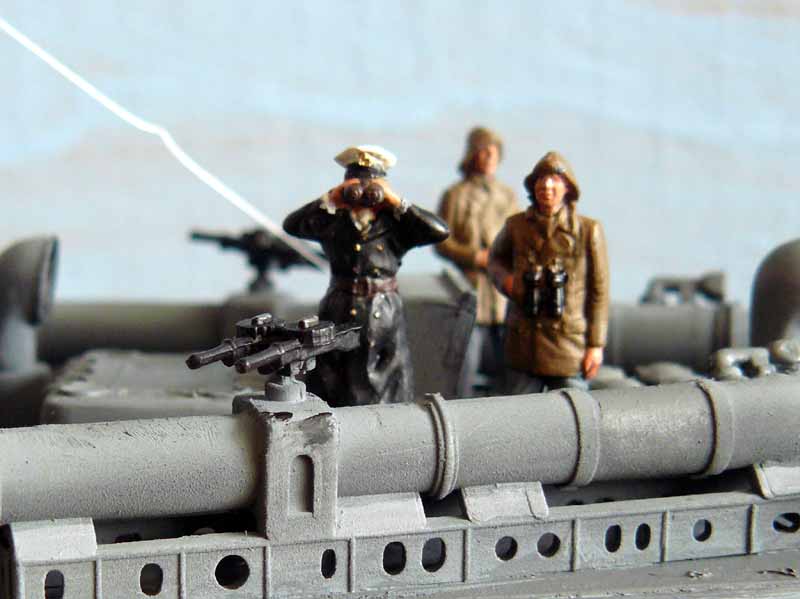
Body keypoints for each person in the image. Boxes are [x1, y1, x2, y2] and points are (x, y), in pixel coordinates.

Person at [283, 145, 449, 406]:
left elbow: (439, 231)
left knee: (383, 377)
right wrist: (330, 198)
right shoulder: (333, 220)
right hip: (339, 306)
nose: (362, 194)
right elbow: (292, 225)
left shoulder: (395, 224)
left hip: (383, 309)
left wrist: (397, 202)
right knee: (332, 374)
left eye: (371, 185)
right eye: (356, 185)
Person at [488, 151, 609, 393]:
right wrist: (508, 282)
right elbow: (495, 260)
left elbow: (599, 291)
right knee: (516, 409)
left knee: (572, 408)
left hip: (568, 346)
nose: (547, 186)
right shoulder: (516, 226)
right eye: (541, 180)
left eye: (555, 179)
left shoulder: (588, 230)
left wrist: (596, 345)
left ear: (568, 187)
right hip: (523, 345)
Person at [435, 127, 520, 396]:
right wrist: (473, 256)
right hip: (469, 292)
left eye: (494, 152)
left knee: (511, 371)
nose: (489, 157)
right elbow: (442, 241)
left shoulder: (507, 196)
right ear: (472, 154)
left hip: (503, 296)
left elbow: (521, 238)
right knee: (464, 370)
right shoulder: (455, 195)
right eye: (483, 151)